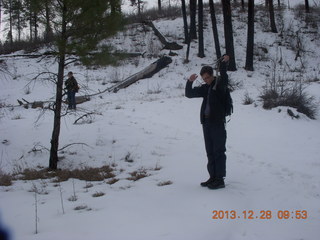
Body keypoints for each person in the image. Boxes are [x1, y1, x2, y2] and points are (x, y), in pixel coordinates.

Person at [185, 55, 230, 189]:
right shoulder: (206, 88)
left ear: (212, 75)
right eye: (204, 79)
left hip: (218, 124)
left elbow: (224, 76)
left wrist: (223, 64)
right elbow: (189, 94)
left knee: (218, 151)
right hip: (206, 124)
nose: (206, 80)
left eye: (208, 78)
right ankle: (212, 177)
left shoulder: (220, 85)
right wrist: (189, 81)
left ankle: (219, 179)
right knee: (210, 151)